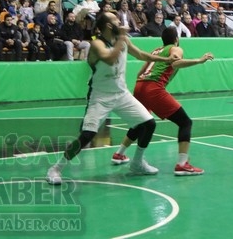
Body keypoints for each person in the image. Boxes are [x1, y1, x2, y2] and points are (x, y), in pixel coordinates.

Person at [46, 12, 173, 185]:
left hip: (121, 94)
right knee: (86, 136)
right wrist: (122, 36)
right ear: (108, 26)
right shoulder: (97, 44)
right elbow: (110, 59)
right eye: (115, 20)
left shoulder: (124, 40)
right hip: (100, 97)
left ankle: (137, 163)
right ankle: (56, 169)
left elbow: (142, 55)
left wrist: (165, 59)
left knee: (149, 124)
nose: (119, 21)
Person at [111, 26, 213, 175]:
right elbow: (175, 63)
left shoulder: (157, 51)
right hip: (154, 88)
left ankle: (119, 153)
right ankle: (182, 164)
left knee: (141, 122)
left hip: (140, 85)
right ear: (177, 39)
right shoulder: (176, 49)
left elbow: (141, 72)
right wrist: (199, 60)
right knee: (185, 122)